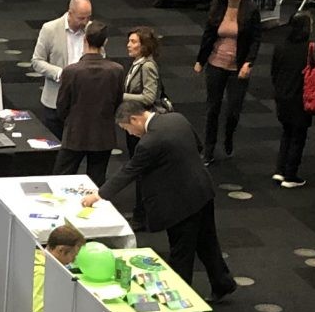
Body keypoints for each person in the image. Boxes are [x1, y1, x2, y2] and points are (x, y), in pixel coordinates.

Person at [99, 97, 233, 300]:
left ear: (135, 119)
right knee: (207, 241)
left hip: (181, 202)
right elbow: (197, 146)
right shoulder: (176, 118)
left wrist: (100, 195)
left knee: (181, 250)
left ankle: (178, 295)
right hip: (203, 190)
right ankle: (222, 282)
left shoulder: (148, 142)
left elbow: (129, 171)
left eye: (126, 128)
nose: (129, 133)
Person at [193, 0, 263, 161]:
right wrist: (200, 60)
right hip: (215, 64)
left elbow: (256, 39)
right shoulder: (217, 9)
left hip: (238, 67)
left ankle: (228, 137)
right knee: (212, 108)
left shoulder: (251, 10)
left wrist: (249, 63)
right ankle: (208, 150)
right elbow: (208, 36)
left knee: (233, 110)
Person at [55, 20, 129, 183]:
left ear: (85, 40)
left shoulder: (71, 71)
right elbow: (118, 101)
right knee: (96, 182)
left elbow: (61, 106)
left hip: (75, 133)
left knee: (61, 180)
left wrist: (71, 121)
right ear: (105, 42)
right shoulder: (116, 70)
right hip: (103, 135)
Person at [268, 11, 315, 189]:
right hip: (302, 98)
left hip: (282, 96)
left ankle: (280, 169)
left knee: (286, 133)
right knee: (298, 136)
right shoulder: (311, 48)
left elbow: (274, 71)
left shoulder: (280, 46)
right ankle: (290, 174)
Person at [30, 0, 92, 133]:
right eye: (81, 18)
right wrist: (61, 74)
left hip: (83, 101)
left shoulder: (91, 30)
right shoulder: (50, 29)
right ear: (70, 13)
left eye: (88, 17)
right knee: (54, 147)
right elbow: (37, 61)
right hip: (55, 101)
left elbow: (101, 56)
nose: (85, 22)